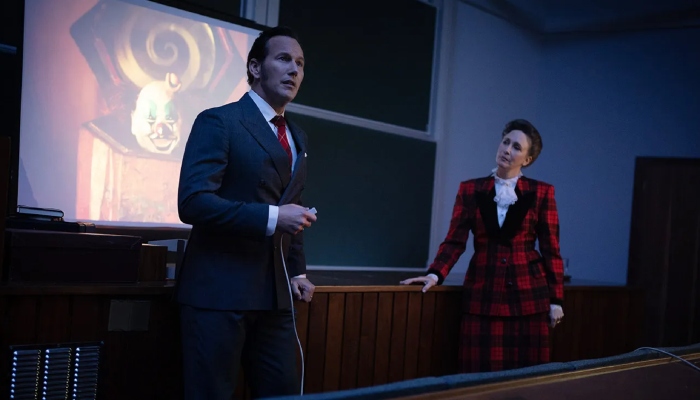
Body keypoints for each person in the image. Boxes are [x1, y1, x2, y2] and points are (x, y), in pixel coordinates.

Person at [175, 26, 317, 399]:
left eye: (300, 63)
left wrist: (298, 271)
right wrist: (272, 217)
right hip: (218, 294)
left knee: (284, 392)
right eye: (284, 59)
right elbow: (193, 202)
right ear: (255, 67)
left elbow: (293, 207)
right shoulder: (219, 121)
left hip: (275, 295)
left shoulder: (298, 136)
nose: (294, 70)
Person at [401, 119, 564, 373]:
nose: (507, 149)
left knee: (527, 379)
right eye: (505, 142)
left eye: (516, 147)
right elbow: (454, 241)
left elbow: (551, 250)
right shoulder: (470, 190)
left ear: (527, 159)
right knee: (478, 376)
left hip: (529, 298)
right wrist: (435, 274)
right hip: (483, 295)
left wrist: (556, 300)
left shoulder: (542, 193)